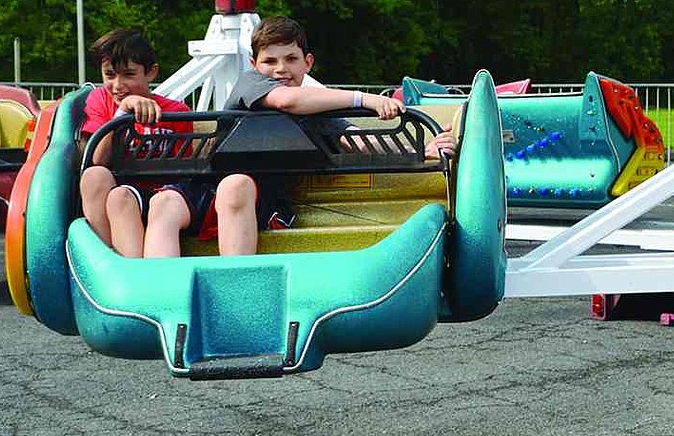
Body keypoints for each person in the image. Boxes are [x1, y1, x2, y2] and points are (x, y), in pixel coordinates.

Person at [209, 16, 457, 256]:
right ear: (254, 65)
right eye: (270, 61)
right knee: (221, 189)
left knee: (240, 189)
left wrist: (422, 150)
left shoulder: (314, 110)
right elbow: (286, 101)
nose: (280, 69)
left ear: (307, 63)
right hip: (210, 193)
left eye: (291, 59)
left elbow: (357, 140)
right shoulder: (251, 84)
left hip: (263, 204)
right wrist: (364, 99)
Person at [78, 28, 196, 258]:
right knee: (96, 178)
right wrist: (123, 112)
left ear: (151, 73)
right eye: (109, 75)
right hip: (120, 194)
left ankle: (138, 270)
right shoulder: (100, 100)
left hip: (162, 195)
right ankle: (106, 256)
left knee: (143, 201)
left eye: (128, 75)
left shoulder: (177, 112)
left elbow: (184, 171)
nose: (118, 85)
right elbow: (98, 159)